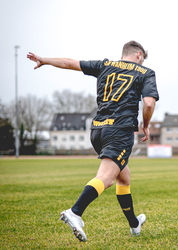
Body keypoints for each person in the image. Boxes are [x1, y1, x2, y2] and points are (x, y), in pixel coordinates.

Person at [27, 41, 159, 242]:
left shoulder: (104, 65)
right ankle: (75, 212)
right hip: (119, 130)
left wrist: (44, 60)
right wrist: (146, 125)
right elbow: (149, 103)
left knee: (123, 178)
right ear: (139, 55)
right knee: (106, 177)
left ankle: (134, 224)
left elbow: (70, 62)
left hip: (97, 131)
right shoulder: (145, 72)